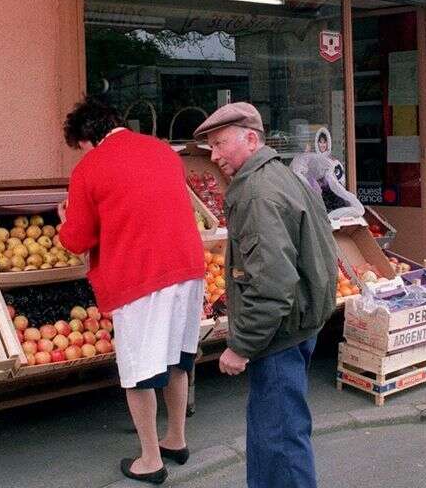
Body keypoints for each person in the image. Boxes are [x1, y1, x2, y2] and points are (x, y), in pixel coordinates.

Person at [57, 96, 206, 485]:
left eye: (79, 147)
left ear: (87, 137)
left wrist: (64, 219)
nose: (80, 154)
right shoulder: (163, 151)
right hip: (188, 268)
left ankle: (150, 459)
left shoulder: (90, 167)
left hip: (141, 276)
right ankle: (176, 439)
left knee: (139, 371)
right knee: (178, 358)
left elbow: (76, 239)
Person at [194, 102, 337, 488]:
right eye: (211, 147)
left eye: (220, 143)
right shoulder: (279, 175)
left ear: (251, 138)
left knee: (279, 441)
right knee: (273, 434)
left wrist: (241, 346)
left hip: (279, 336)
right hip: (296, 326)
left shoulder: (257, 193)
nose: (215, 155)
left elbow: (271, 283)